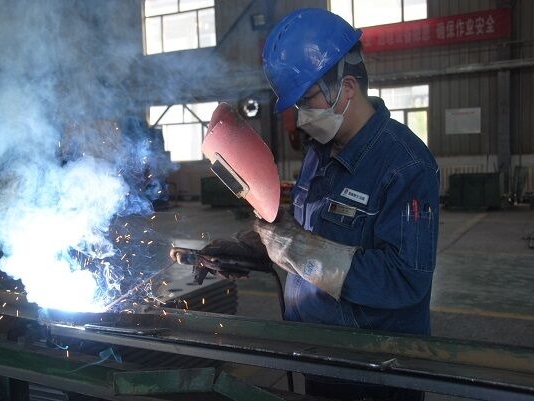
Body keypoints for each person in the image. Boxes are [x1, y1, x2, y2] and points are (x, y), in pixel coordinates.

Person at [173, 8, 439, 401]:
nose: (301, 118)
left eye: (308, 99)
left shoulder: (407, 165)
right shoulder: (320, 154)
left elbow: (404, 281)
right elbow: (303, 231)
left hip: (376, 371)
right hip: (318, 352)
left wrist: (297, 250)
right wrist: (253, 248)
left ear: (347, 87)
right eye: (297, 104)